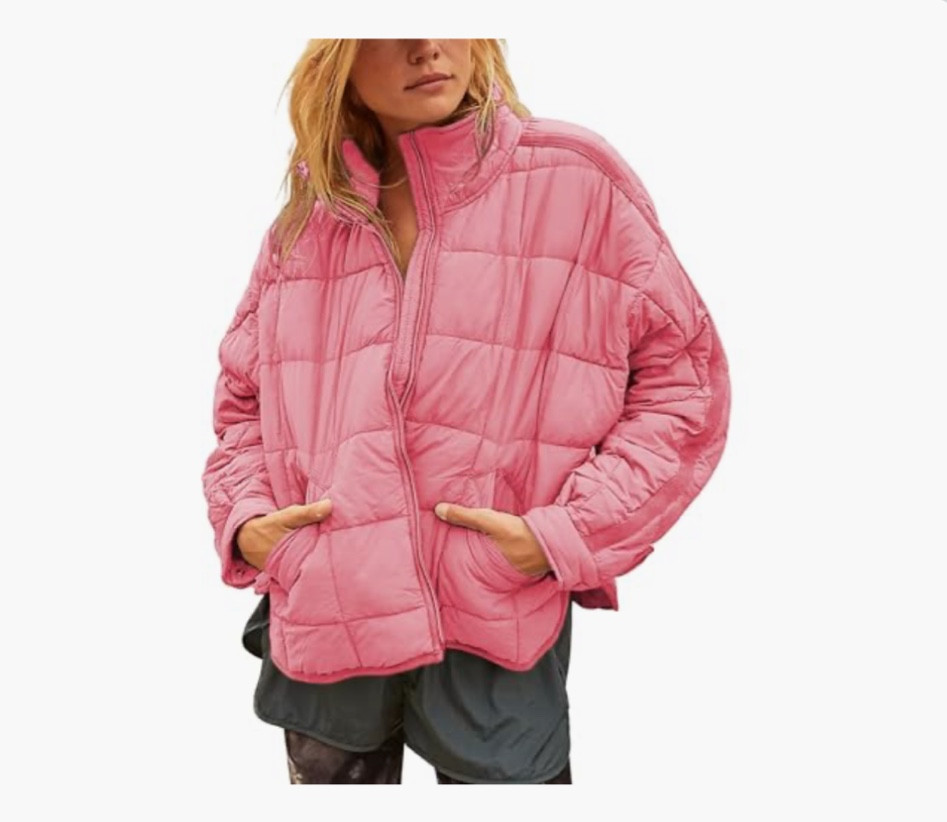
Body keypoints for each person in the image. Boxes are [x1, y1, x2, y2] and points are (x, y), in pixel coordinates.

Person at [201, 38, 731, 785]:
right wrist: (251, 524)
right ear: (338, 56)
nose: (427, 46)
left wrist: (563, 534)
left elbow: (684, 385)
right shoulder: (310, 218)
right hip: (326, 612)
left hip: (494, 614)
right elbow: (243, 402)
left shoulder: (573, 179)